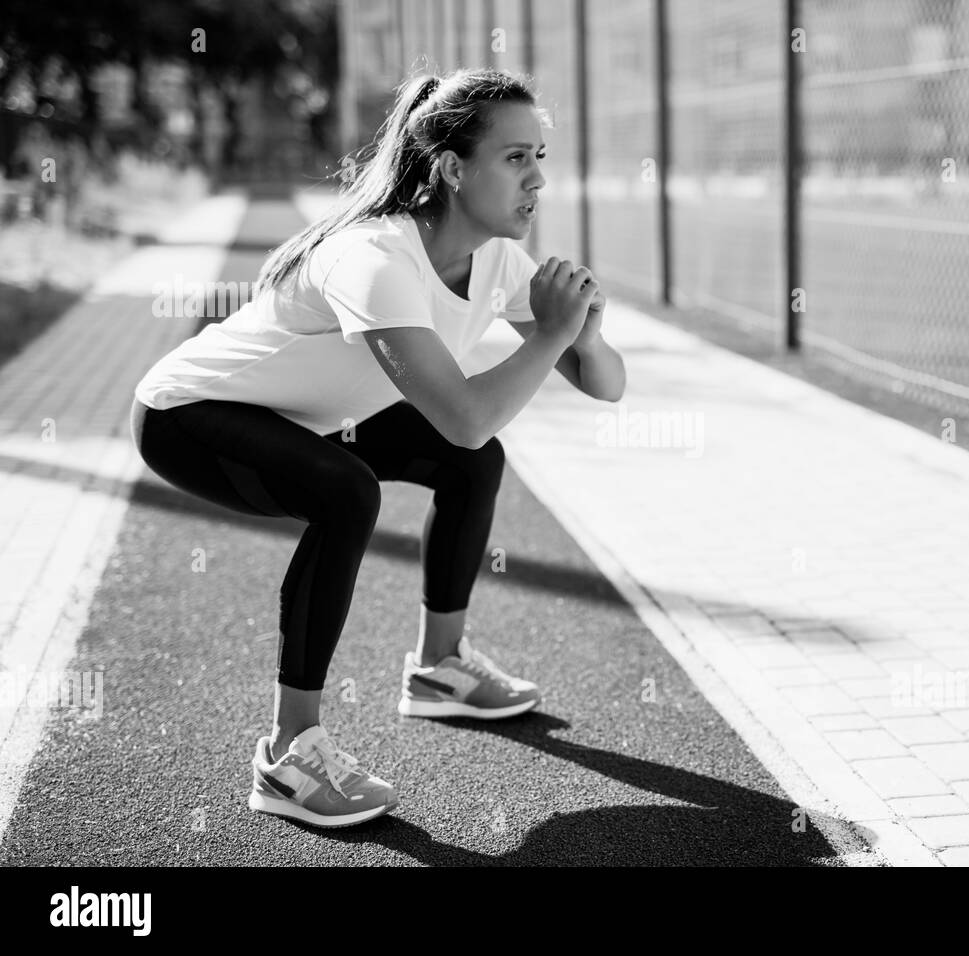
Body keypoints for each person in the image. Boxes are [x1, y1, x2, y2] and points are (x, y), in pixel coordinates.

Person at [129, 67, 626, 829]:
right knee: (346, 489)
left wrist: (581, 333)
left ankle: (440, 670)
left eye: (540, 157)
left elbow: (607, 386)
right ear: (455, 168)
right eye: (516, 157)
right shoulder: (374, 257)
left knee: (474, 465)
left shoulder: (495, 259)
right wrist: (552, 335)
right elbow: (464, 414)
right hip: (190, 412)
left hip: (309, 415)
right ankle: (289, 755)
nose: (538, 179)